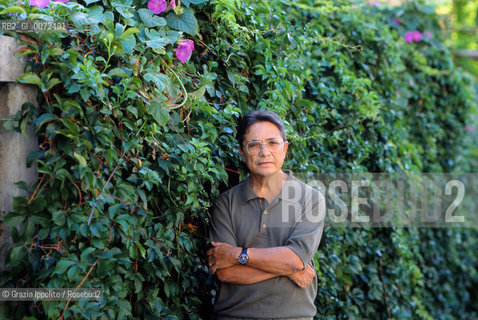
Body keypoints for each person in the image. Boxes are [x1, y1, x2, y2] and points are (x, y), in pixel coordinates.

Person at [207, 110, 325, 319]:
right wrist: (289, 269)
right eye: (254, 145)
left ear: (285, 148)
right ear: (242, 153)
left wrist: (238, 255)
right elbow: (225, 272)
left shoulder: (310, 199)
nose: (264, 152)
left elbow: (295, 259)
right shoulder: (226, 203)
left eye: (272, 143)